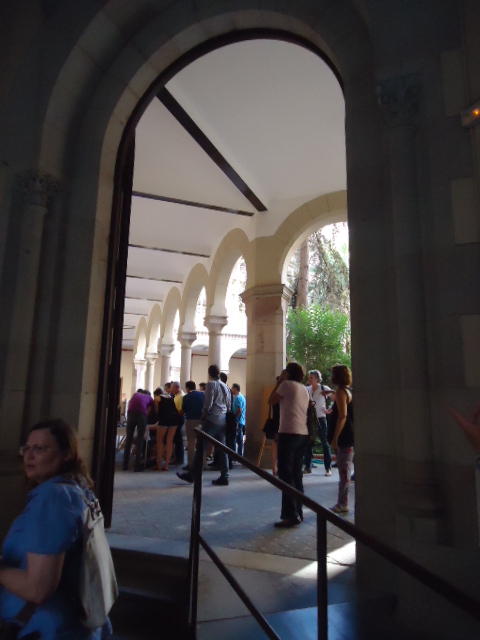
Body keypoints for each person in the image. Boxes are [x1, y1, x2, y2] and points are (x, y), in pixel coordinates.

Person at [0, 419, 114, 639]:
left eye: (40, 449)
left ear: (66, 454)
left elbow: (37, 589)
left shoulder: (54, 498)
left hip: (47, 628)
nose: (29, 456)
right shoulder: (77, 489)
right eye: (26, 448)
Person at [269, 362, 310, 528]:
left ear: (288, 373)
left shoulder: (285, 385)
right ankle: (299, 511)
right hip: (302, 434)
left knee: (286, 476)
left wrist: (279, 381)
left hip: (288, 433)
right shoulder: (304, 389)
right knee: (297, 475)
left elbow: (270, 400)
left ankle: (290, 515)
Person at [177, 364, 231, 486]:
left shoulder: (211, 384)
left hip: (211, 420)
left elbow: (208, 403)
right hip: (222, 420)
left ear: (209, 373)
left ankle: (192, 475)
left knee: (201, 448)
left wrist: (204, 416)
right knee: (222, 449)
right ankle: (225, 476)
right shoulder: (225, 386)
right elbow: (228, 405)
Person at [328, 364, 354, 514]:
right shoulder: (348, 391)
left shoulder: (340, 392)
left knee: (344, 472)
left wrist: (335, 438)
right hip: (349, 435)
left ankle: (342, 503)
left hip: (344, 436)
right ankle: (342, 502)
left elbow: (342, 416)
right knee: (345, 470)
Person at [305, 370, 333, 476]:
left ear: (317, 379)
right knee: (308, 443)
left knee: (325, 443)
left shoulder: (323, 388)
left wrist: (330, 409)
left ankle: (328, 468)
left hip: (321, 418)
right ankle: (308, 467)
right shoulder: (307, 389)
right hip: (310, 419)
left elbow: (335, 398)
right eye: (309, 377)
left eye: (311, 377)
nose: (309, 379)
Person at [122, 389, 153, 471]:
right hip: (141, 415)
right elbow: (149, 410)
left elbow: (130, 404)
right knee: (140, 440)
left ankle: (125, 465)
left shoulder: (135, 394)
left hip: (130, 413)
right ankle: (137, 466)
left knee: (128, 439)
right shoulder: (149, 398)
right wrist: (145, 417)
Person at [155, 388, 180, 471]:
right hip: (174, 419)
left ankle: (159, 464)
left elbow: (156, 410)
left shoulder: (158, 398)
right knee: (170, 441)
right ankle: (166, 465)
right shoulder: (174, 397)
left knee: (160, 441)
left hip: (164, 419)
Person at [182, 381, 205, 469]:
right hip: (201, 421)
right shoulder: (203, 395)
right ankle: (202, 463)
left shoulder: (186, 397)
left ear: (187, 388)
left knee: (191, 442)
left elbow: (184, 410)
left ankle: (191, 464)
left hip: (191, 420)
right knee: (201, 443)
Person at [170, 382, 185, 466]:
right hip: (180, 419)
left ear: (176, 388)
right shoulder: (181, 395)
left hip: (178, 420)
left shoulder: (179, 397)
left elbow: (180, 411)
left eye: (172, 388)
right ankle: (178, 458)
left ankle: (179, 459)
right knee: (178, 440)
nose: (171, 390)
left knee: (178, 440)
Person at [231, 384, 246, 457]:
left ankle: (236, 456)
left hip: (238, 421)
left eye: (232, 388)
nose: (231, 389)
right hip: (240, 421)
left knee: (236, 439)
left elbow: (239, 410)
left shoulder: (238, 398)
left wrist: (233, 417)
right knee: (239, 439)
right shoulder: (241, 396)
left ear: (235, 388)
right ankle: (238, 455)